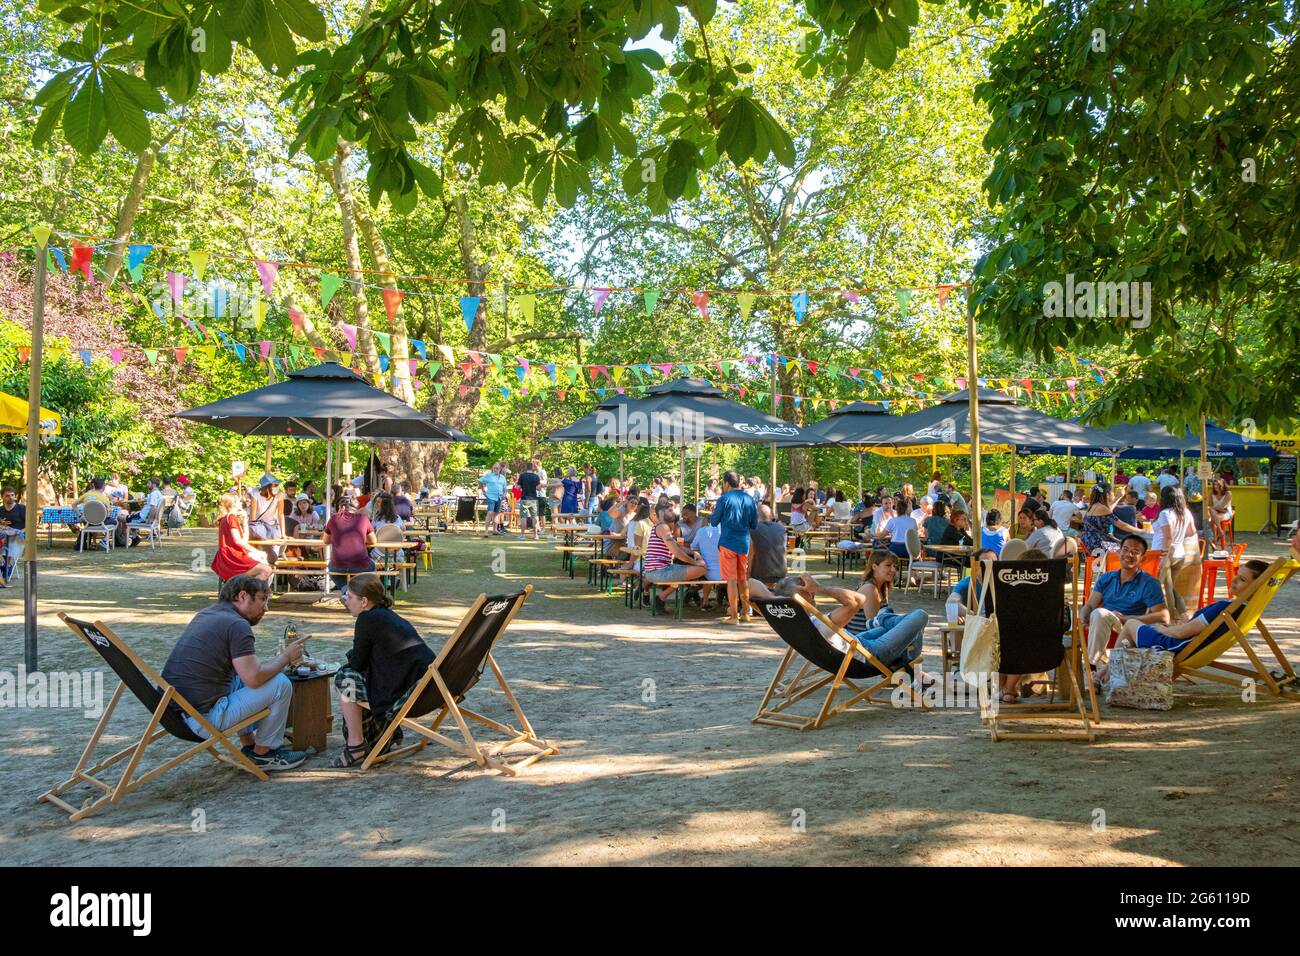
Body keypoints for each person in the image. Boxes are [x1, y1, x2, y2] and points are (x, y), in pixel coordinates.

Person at [160, 574, 308, 771]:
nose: (266, 608)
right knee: (280, 683)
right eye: (263, 599)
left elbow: (246, 673)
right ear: (243, 596)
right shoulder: (237, 625)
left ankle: (249, 744)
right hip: (202, 719)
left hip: (174, 712)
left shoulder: (207, 614)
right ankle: (265, 754)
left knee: (240, 676)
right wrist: (286, 657)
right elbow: (254, 679)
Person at [331, 573, 436, 767]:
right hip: (431, 686)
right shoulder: (386, 614)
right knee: (362, 677)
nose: (346, 602)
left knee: (345, 678)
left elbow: (357, 665)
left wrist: (350, 658)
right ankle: (385, 736)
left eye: (350, 597)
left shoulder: (366, 619)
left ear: (363, 601)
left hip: (406, 693)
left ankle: (356, 745)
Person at [1108, 560, 1271, 668]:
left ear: (1255, 587)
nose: (1234, 580)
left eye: (1242, 580)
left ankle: (1107, 674)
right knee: (1140, 628)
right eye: (1237, 574)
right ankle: (1109, 674)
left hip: (1176, 647)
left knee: (1130, 625)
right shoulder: (1242, 608)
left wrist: (1160, 628)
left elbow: (1181, 633)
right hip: (1190, 645)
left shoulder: (1224, 608)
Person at [761, 573, 928, 675]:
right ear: (795, 599)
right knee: (919, 616)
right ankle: (882, 620)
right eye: (805, 592)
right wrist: (820, 588)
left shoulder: (792, 623)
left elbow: (753, 585)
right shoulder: (820, 625)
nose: (811, 593)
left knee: (893, 628)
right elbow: (859, 600)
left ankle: (882, 624)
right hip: (869, 655)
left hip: (855, 642)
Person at [1081, 534, 1169, 667]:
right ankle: (1096, 667)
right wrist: (1083, 614)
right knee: (1096, 614)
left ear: (1143, 558)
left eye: (1135, 552)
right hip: (1103, 624)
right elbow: (1090, 605)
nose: (1129, 555)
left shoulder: (1149, 583)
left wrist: (1126, 618)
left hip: (1129, 627)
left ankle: (1092, 666)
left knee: (1100, 613)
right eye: (1126, 550)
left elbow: (1164, 616)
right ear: (1119, 551)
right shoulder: (1106, 578)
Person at [709, 470, 759, 625]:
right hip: (743, 543)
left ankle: (733, 616)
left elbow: (714, 521)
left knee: (731, 580)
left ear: (725, 483)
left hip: (727, 543)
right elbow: (754, 524)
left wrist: (713, 513)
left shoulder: (724, 499)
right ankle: (745, 613)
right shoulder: (749, 499)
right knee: (743, 579)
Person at [642, 502, 708, 608]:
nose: (674, 513)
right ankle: (662, 597)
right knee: (703, 568)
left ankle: (661, 598)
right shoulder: (663, 527)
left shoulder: (661, 527)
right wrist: (695, 563)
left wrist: (693, 552)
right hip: (659, 572)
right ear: (661, 513)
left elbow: (678, 546)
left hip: (659, 570)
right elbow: (677, 553)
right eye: (670, 510)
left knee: (687, 570)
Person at [1152, 484, 1201, 622]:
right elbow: (1191, 532)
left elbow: (1168, 536)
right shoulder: (1186, 512)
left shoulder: (1165, 513)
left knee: (1167, 589)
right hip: (1180, 553)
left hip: (1165, 553)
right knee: (1171, 588)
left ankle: (1171, 619)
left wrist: (1165, 556)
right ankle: (1184, 616)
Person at [322, 488, 377, 595]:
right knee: (372, 566)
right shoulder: (363, 519)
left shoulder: (333, 519)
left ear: (341, 507)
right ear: (356, 508)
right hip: (361, 565)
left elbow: (326, 540)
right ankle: (359, 593)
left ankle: (346, 590)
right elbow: (373, 541)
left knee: (331, 568)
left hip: (338, 565)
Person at [211, 494, 273, 581]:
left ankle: (250, 590)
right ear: (233, 504)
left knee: (264, 566)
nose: (241, 503)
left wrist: (245, 521)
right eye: (239, 501)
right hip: (232, 557)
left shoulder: (228, 517)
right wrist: (257, 551)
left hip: (231, 556)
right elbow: (238, 541)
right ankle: (252, 593)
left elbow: (244, 540)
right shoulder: (231, 517)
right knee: (266, 570)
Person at [748, 504, 790, 589]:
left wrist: (747, 574)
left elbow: (751, 554)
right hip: (781, 573)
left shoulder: (752, 529)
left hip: (761, 574)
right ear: (771, 516)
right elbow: (784, 552)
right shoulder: (781, 528)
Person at [1080, 486, 1120, 559]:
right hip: (1097, 543)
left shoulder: (1093, 506)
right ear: (1107, 495)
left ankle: (1101, 567)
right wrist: (1140, 530)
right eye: (1112, 493)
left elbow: (1108, 509)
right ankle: (1108, 568)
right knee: (1122, 549)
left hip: (1089, 540)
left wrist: (1118, 497)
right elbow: (1122, 525)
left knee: (1122, 545)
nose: (1113, 495)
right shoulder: (1101, 507)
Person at [124, 477, 165, 547]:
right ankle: (135, 537)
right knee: (130, 515)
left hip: (142, 518)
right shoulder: (158, 493)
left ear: (154, 485)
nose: (147, 485)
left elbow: (153, 508)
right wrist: (139, 512)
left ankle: (134, 537)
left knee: (121, 518)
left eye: (149, 483)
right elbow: (149, 508)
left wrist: (150, 520)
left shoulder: (154, 494)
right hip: (142, 515)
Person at [0, 486, 25, 586]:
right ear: (2, 497)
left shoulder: (22, 508)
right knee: (4, 535)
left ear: (15, 496)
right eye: (7, 496)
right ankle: (6, 566)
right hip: (4, 535)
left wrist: (20, 532)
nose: (10, 497)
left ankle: (7, 565)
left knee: (6, 536)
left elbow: (30, 524)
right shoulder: (0, 510)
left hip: (19, 535)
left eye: (12, 495)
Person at [478, 462, 507, 537]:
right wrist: (483, 490)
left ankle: (495, 530)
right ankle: (486, 531)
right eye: (494, 468)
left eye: (497, 468)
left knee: (497, 514)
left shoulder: (503, 478)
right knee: (490, 513)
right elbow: (480, 481)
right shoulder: (489, 476)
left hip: (499, 497)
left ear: (500, 469)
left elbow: (505, 488)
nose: (496, 469)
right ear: (492, 468)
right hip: (491, 497)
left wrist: (504, 494)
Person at [516, 461, 542, 539]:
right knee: (535, 517)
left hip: (524, 498)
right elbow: (538, 488)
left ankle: (522, 535)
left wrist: (516, 483)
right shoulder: (536, 476)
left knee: (523, 517)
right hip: (533, 499)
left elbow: (518, 487)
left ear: (526, 467)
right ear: (532, 468)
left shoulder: (522, 476)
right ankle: (535, 535)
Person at [1209, 478, 1234, 549]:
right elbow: (1210, 505)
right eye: (1214, 485)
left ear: (1223, 485)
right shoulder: (1212, 493)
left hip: (1227, 513)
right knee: (1211, 516)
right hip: (1216, 512)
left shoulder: (1228, 493)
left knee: (1211, 520)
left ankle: (1214, 539)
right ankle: (1220, 531)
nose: (1215, 486)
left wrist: (1213, 508)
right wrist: (1214, 508)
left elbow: (1222, 506)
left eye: (1218, 485)